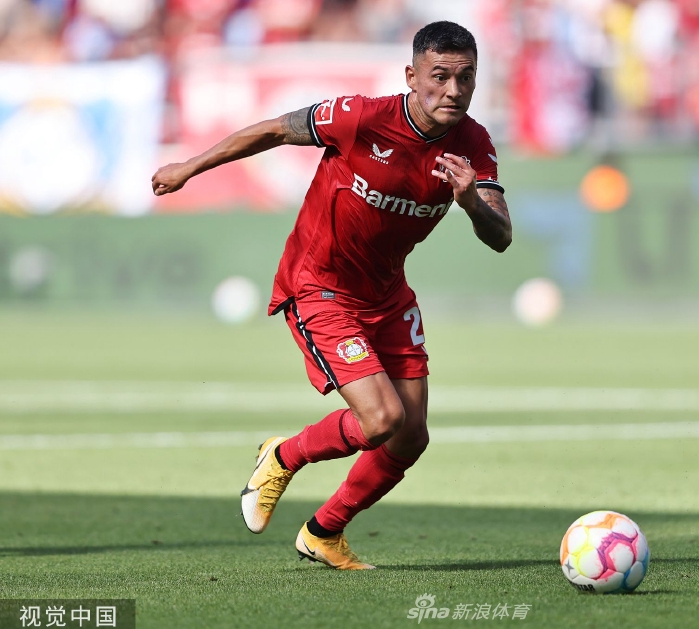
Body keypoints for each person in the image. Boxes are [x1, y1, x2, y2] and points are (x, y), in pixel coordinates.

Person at [151, 21, 511, 570]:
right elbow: (275, 130)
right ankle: (283, 455)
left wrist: (470, 202)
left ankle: (324, 532)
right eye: (440, 76)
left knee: (411, 436)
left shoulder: (474, 145)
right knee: (382, 419)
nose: (454, 91)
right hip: (320, 285)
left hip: (387, 295)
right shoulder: (362, 118)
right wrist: (189, 167)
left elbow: (501, 236)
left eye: (466, 78)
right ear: (411, 76)